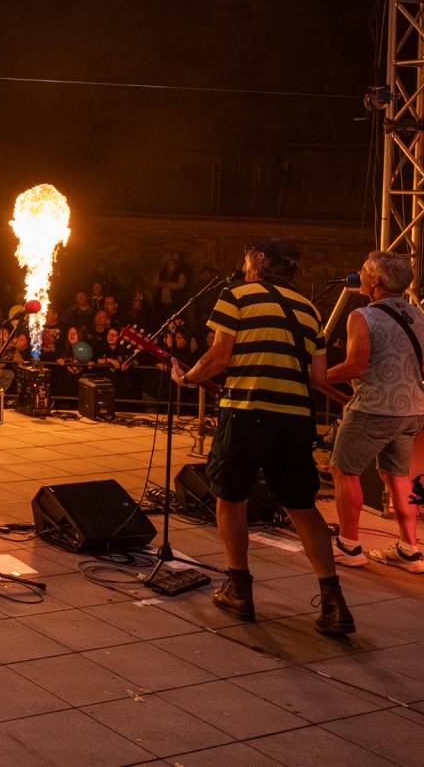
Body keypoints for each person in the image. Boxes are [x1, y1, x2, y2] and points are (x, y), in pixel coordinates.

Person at [175, 237, 354, 635]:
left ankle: (239, 588)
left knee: (230, 498)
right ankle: (333, 602)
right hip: (293, 419)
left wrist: (187, 378)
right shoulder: (309, 310)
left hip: (246, 414)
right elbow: (319, 378)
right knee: (303, 508)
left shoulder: (235, 295)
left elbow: (220, 357)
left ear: (258, 260)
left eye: (246, 259)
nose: (243, 267)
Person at [324, 251, 424, 573]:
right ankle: (410, 550)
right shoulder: (419, 315)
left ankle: (349, 546)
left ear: (375, 282)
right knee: (397, 475)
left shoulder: (363, 316)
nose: (359, 276)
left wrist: (318, 377)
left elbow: (356, 365)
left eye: (363, 272)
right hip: (412, 410)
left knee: (344, 469)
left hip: (374, 408)